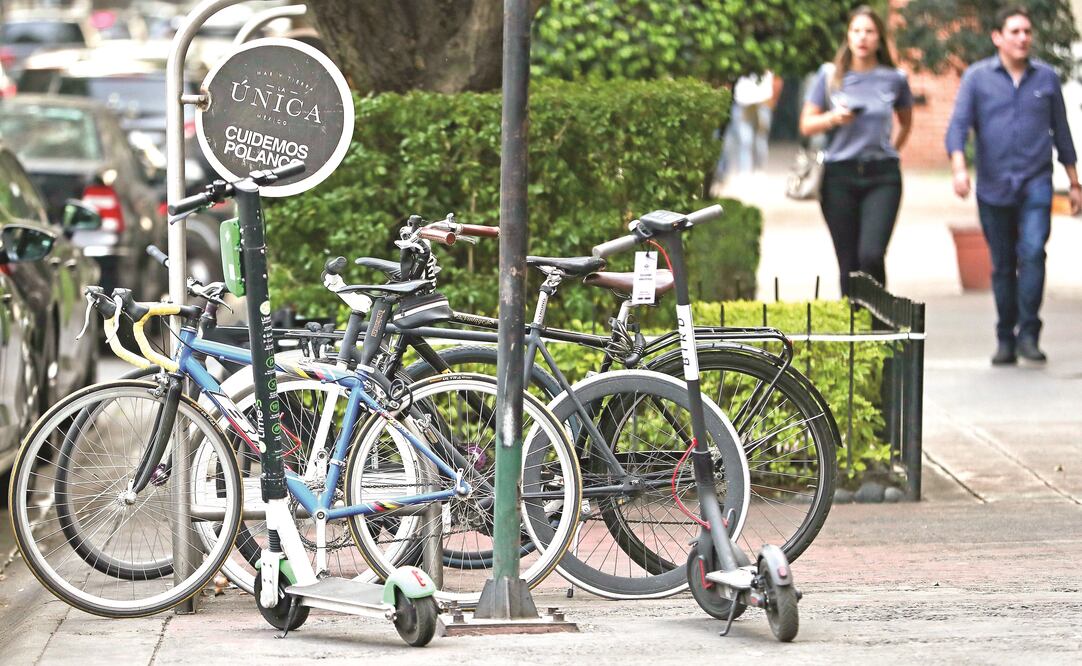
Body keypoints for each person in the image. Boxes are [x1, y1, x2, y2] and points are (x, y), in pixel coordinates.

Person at [945, 5, 1081, 366]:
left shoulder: (1047, 78)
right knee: (1003, 265)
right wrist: (960, 169)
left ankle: (1030, 334)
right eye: (1015, 32)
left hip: (1036, 182)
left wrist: (1073, 181)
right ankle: (1006, 336)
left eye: (1027, 32)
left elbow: (1062, 133)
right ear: (998, 37)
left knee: (1033, 253)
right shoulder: (977, 78)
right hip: (993, 187)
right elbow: (958, 128)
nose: (1023, 38)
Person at [798, 5, 913, 297]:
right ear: (848, 36)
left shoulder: (894, 78)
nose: (862, 37)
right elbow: (806, 125)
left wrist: (892, 150)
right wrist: (833, 118)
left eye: (869, 31)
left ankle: (880, 323)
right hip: (839, 176)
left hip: (882, 175)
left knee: (872, 254)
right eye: (856, 31)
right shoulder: (829, 76)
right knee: (848, 262)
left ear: (880, 38)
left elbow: (906, 121)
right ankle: (855, 330)